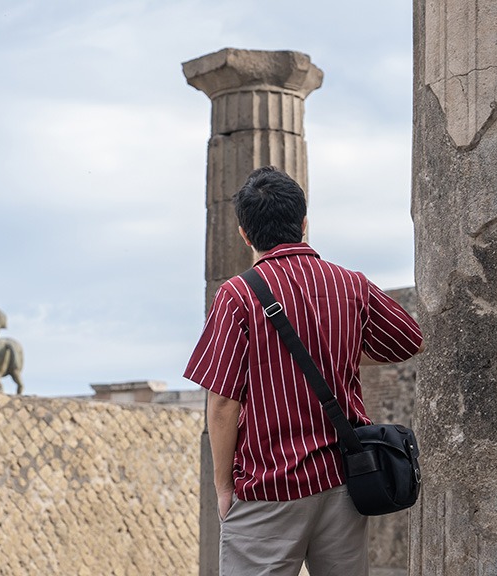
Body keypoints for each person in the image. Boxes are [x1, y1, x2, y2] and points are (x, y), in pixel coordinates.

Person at [183, 166, 423, 575]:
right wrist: (339, 347)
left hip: (269, 487)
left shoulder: (238, 295)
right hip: (344, 480)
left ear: (245, 233)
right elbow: (408, 339)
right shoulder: (350, 284)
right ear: (304, 223)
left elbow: (223, 402)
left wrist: (224, 487)